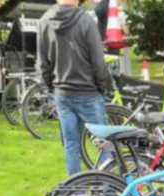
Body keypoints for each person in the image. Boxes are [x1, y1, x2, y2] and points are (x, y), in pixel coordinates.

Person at [38, 0, 112, 176]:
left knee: (71, 145)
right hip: (88, 91)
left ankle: (75, 192)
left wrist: (53, 86)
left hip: (62, 93)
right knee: (103, 144)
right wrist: (102, 87)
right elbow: (98, 61)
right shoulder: (86, 20)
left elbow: (42, 63)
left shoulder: (44, 21)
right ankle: (108, 191)